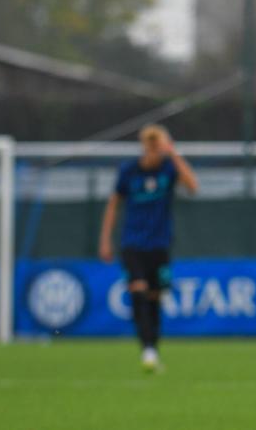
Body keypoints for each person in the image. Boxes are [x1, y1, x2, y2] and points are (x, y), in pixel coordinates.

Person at [99, 124, 199, 372]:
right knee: (138, 292)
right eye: (151, 146)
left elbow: (193, 187)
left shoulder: (168, 168)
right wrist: (105, 240)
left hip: (160, 245)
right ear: (144, 147)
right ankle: (147, 349)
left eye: (159, 146)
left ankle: (152, 348)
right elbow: (113, 204)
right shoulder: (129, 171)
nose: (155, 151)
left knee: (155, 298)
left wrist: (174, 154)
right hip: (132, 243)